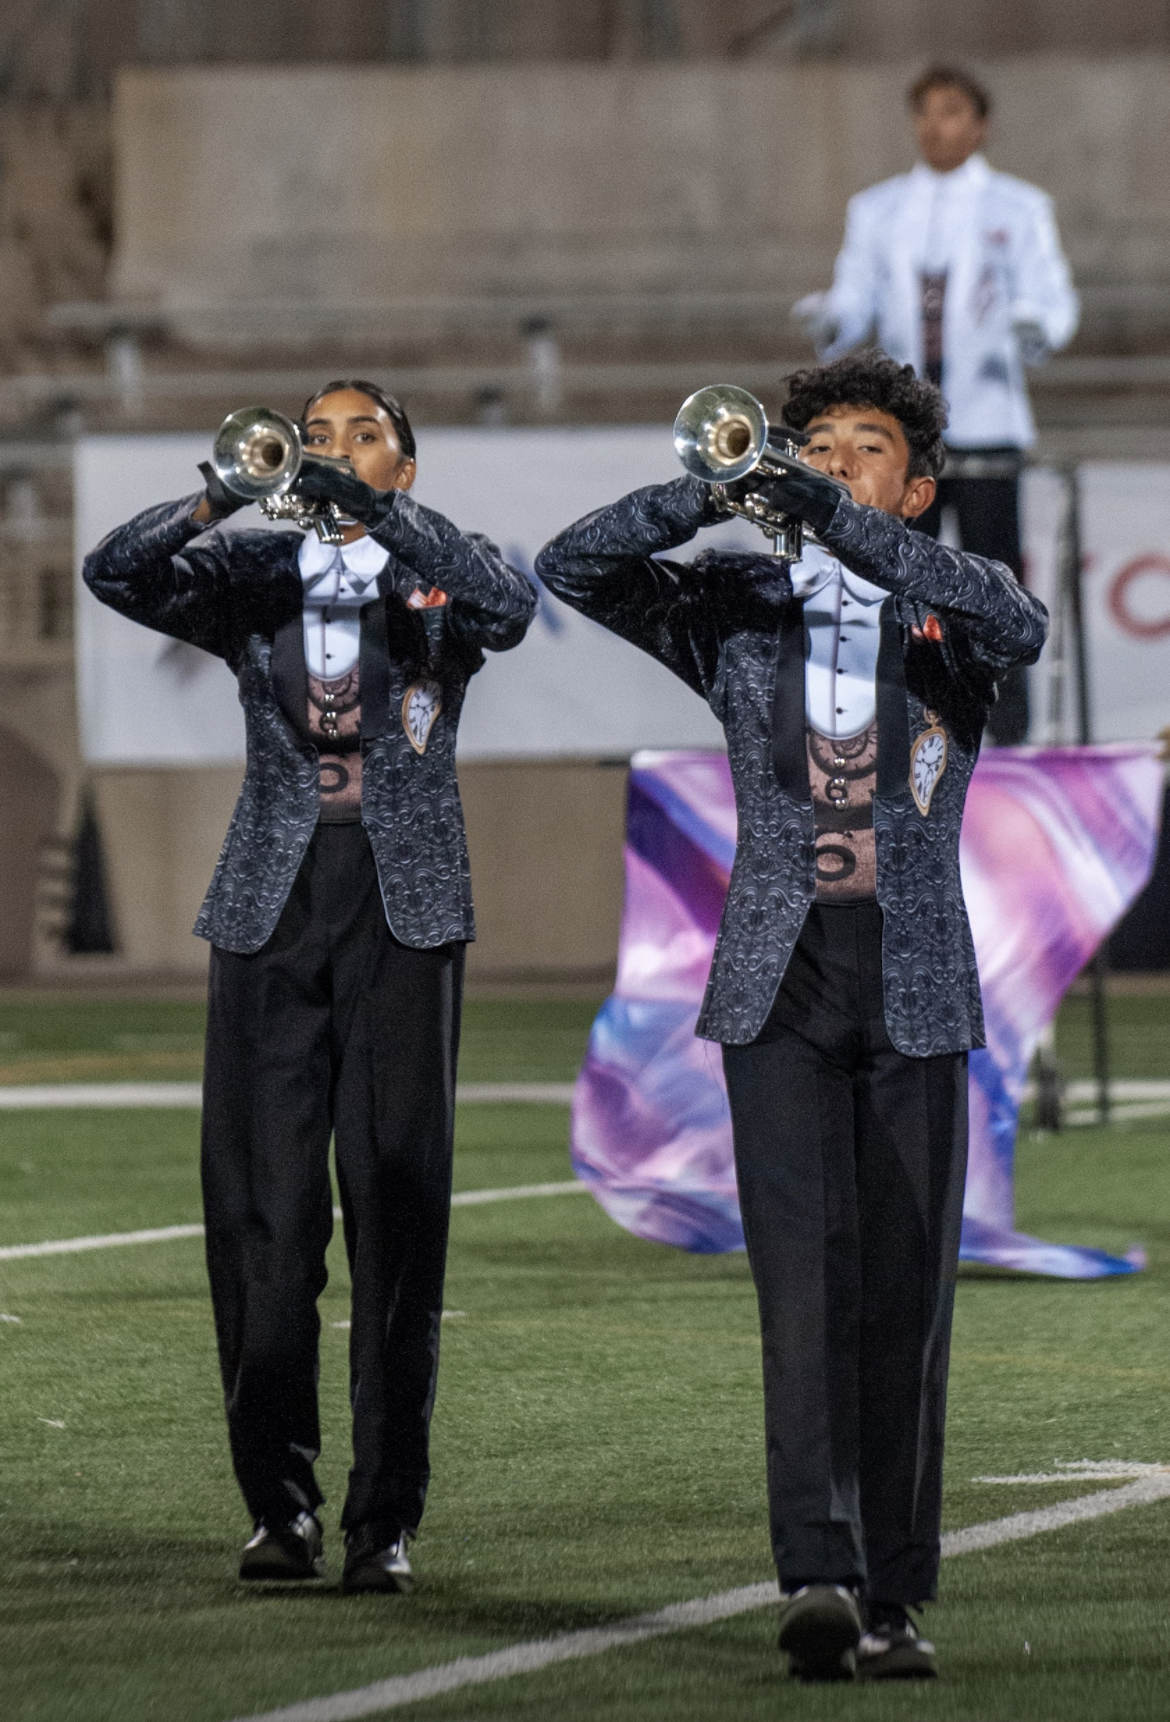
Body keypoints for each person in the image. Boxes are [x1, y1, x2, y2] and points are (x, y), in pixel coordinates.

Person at [536, 354, 1047, 1681]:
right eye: (813, 446)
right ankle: (817, 1571)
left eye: (861, 447)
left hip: (916, 984)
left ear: (915, 484)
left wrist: (835, 521)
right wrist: (705, 486)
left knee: (903, 1304)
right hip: (780, 980)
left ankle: (896, 1589)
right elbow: (571, 567)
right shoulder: (738, 607)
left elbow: (1022, 624)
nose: (829, 464)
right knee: (803, 1288)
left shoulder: (953, 608)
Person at [83, 381, 536, 1591]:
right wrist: (223, 491)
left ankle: (382, 1518)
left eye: (363, 435)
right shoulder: (254, 574)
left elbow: (509, 606)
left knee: (396, 1216)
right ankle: (276, 1505)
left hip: (405, 915)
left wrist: (372, 515)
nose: (335, 451)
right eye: (317, 436)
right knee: (265, 1226)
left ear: (408, 463)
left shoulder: (443, 572)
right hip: (268, 912)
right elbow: (114, 572)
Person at [795, 64, 1076, 743]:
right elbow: (855, 296)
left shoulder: (1019, 206)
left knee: (994, 577)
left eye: (950, 111)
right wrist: (831, 318)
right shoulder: (878, 208)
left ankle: (1006, 728)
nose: (935, 125)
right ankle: (903, 716)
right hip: (904, 430)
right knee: (896, 574)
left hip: (985, 420)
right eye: (924, 112)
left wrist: (1034, 326)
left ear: (979, 124)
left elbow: (1050, 297)